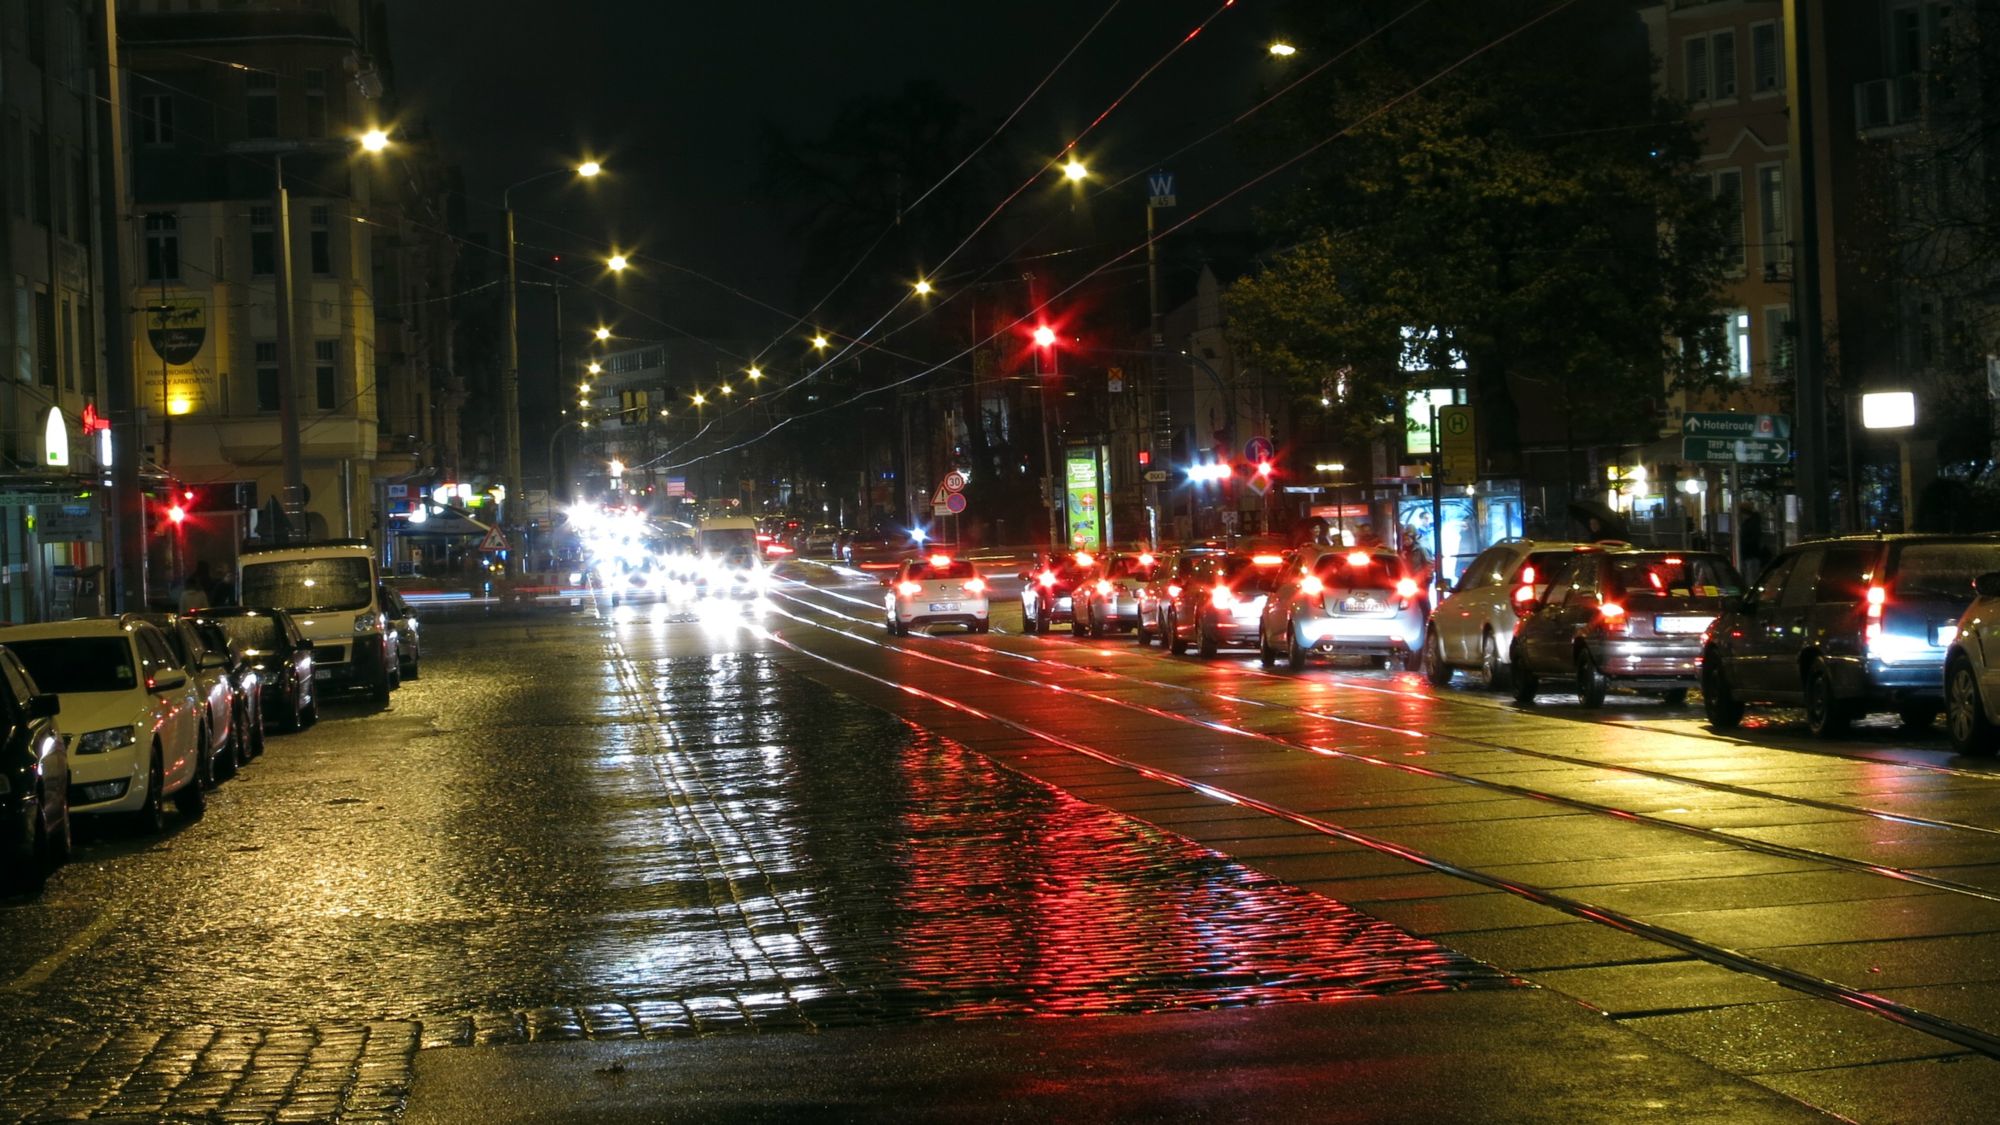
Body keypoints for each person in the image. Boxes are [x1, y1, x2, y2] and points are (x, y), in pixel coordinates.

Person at [1738, 502, 1768, 585]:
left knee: (1751, 579)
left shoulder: (1752, 523)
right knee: (1751, 577)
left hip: (1751, 555)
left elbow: (1754, 539)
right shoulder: (1751, 522)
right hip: (1750, 555)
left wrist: (1744, 544)